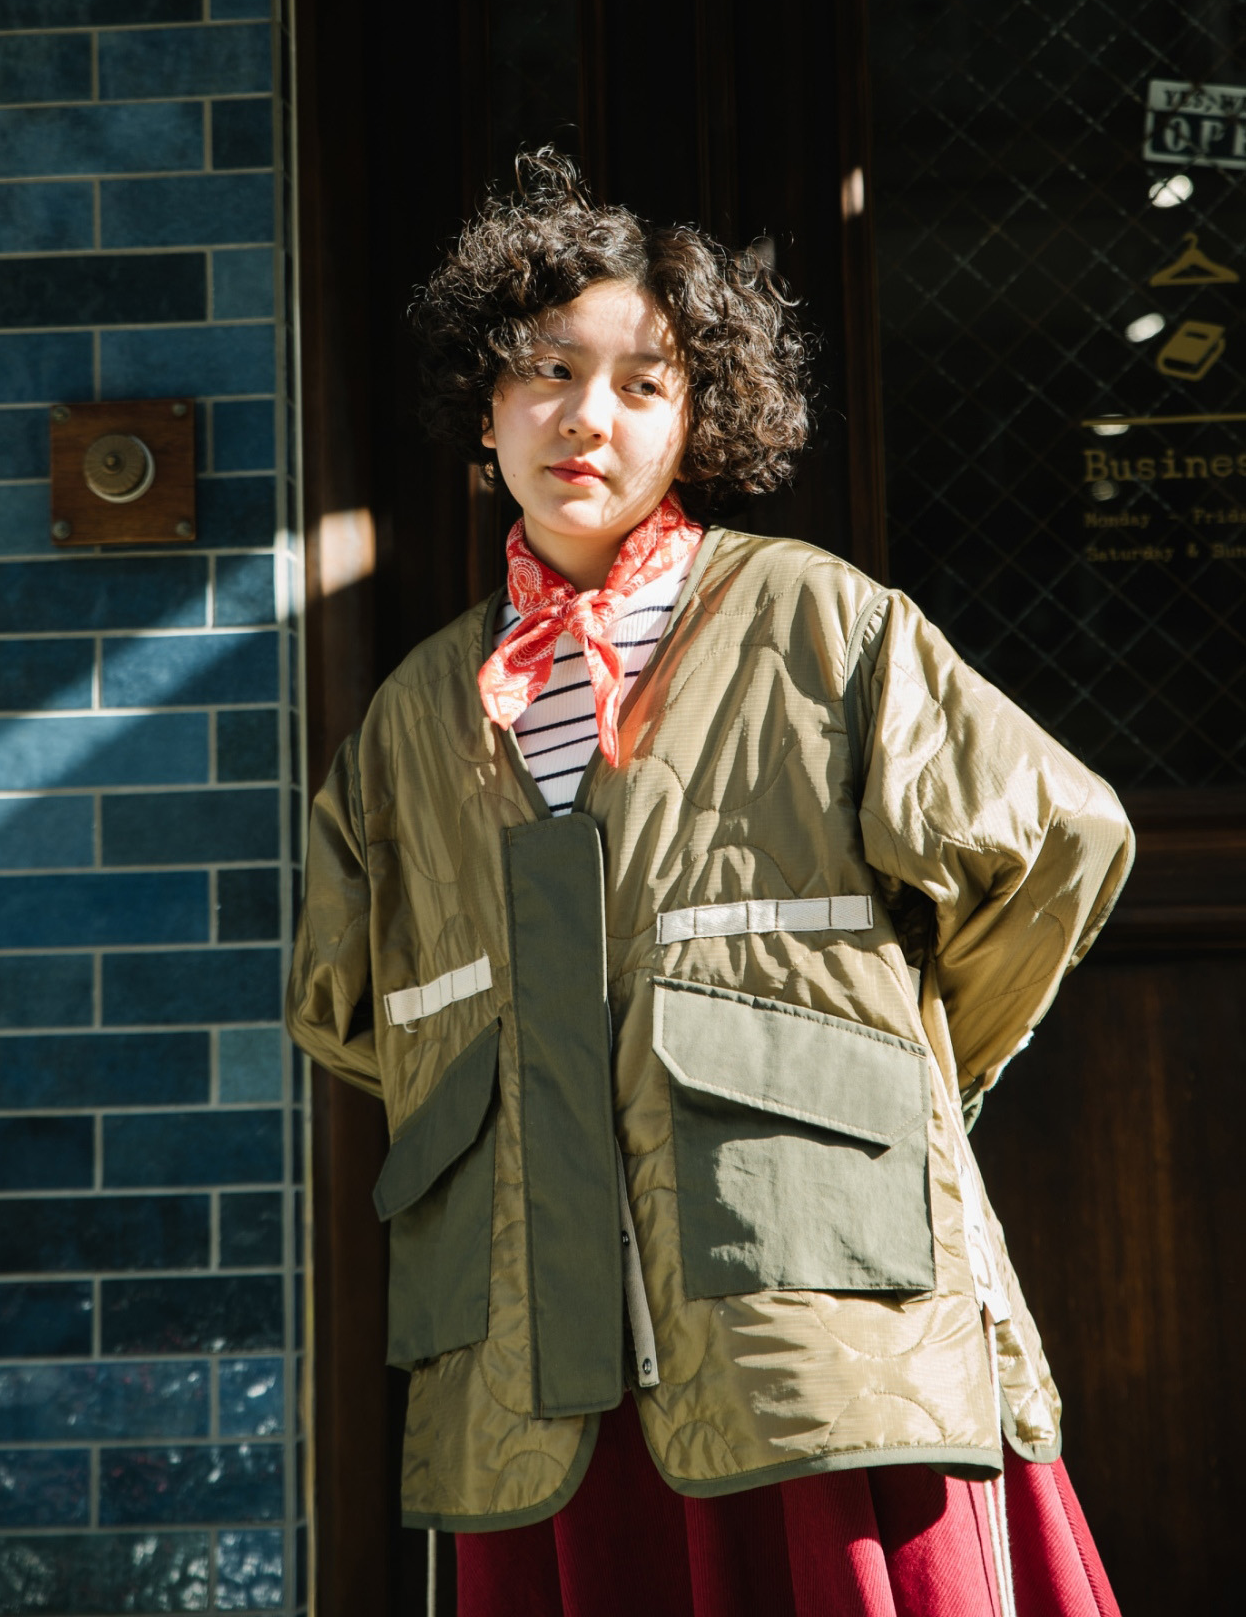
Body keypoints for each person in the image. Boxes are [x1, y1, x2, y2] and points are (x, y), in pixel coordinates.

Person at [287, 152, 1132, 1617]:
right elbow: (346, 1005)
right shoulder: (413, 717)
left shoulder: (819, 620)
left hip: (809, 1304)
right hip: (532, 1340)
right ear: (484, 406)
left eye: (644, 384)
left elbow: (1059, 841)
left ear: (700, 418)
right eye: (549, 371)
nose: (587, 417)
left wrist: (906, 1073)